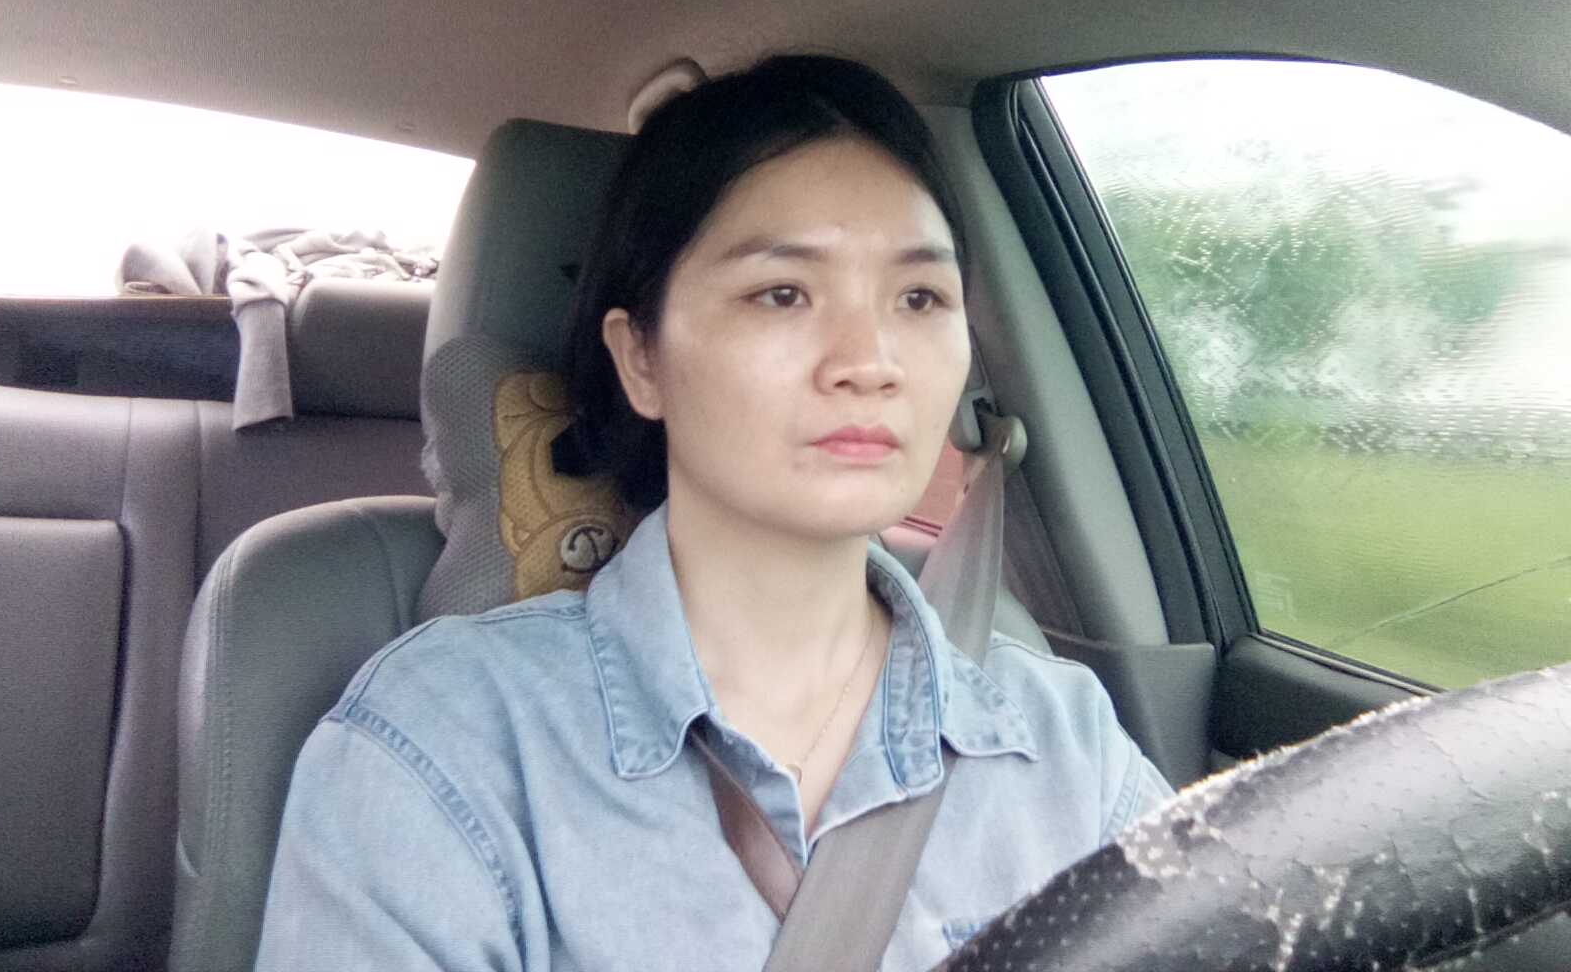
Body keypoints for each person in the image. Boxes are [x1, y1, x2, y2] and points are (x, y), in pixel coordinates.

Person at [254, 55, 1172, 971]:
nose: (870, 360)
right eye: (783, 293)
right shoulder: (447, 743)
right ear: (641, 359)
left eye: (919, 298)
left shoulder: (1063, 738)